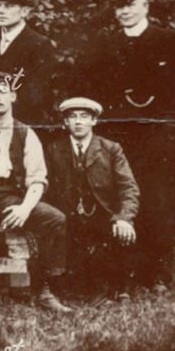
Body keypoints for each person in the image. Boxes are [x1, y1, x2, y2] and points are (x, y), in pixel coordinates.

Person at [77, 0, 175, 293]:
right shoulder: (106, 43)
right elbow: (90, 84)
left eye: (131, 5)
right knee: (120, 196)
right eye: (119, 7)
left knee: (157, 199)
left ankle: (157, 272)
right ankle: (124, 271)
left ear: (146, 6)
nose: (124, 12)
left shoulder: (170, 41)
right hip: (119, 134)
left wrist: (174, 128)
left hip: (157, 133)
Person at [0, 72, 71, 313]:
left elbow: (38, 178)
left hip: (13, 197)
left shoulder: (26, 132)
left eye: (2, 91)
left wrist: (25, 208)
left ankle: (44, 289)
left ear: (13, 96)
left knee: (55, 219)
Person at [46, 97, 139, 303]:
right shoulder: (54, 149)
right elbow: (46, 189)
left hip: (103, 217)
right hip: (68, 219)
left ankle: (121, 286)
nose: (78, 122)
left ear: (94, 121)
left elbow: (129, 188)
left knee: (119, 232)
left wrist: (123, 217)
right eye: (72, 117)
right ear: (65, 122)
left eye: (84, 117)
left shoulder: (111, 148)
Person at [0, 0, 55, 130]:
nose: (0, 11)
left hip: (24, 123)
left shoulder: (39, 44)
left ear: (24, 11)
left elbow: (37, 94)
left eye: (8, 6)